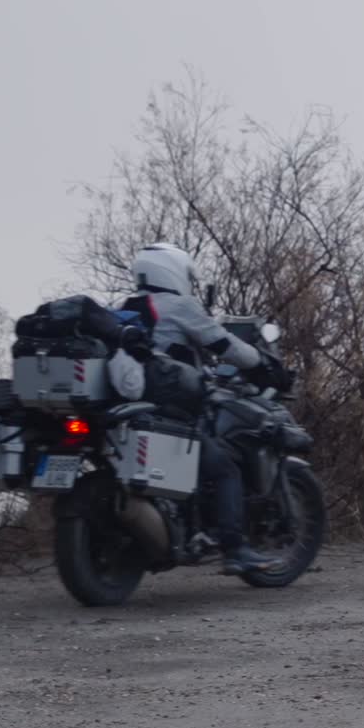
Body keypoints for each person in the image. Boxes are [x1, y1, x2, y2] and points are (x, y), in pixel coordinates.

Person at [108, 242, 286, 575]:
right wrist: (260, 361)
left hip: (129, 412)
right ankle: (235, 549)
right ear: (174, 271)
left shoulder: (125, 310)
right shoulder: (179, 305)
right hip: (169, 409)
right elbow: (225, 345)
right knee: (224, 469)